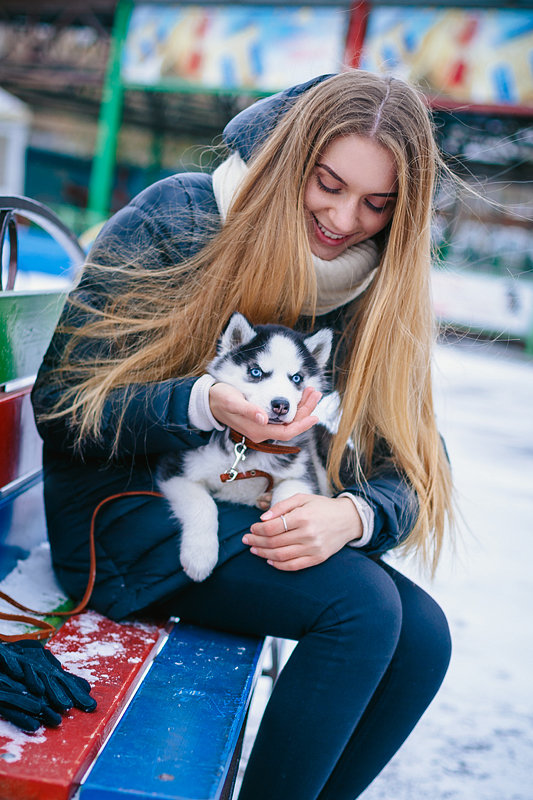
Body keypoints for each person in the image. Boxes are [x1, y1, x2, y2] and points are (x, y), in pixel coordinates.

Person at [32, 71, 454, 799]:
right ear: (291, 157)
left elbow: (415, 463)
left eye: (376, 204)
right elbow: (64, 408)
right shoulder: (181, 217)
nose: (344, 219)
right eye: (326, 183)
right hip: (122, 513)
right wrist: (203, 404)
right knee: (359, 612)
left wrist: (353, 515)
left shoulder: (371, 285)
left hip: (241, 511)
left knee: (422, 640)